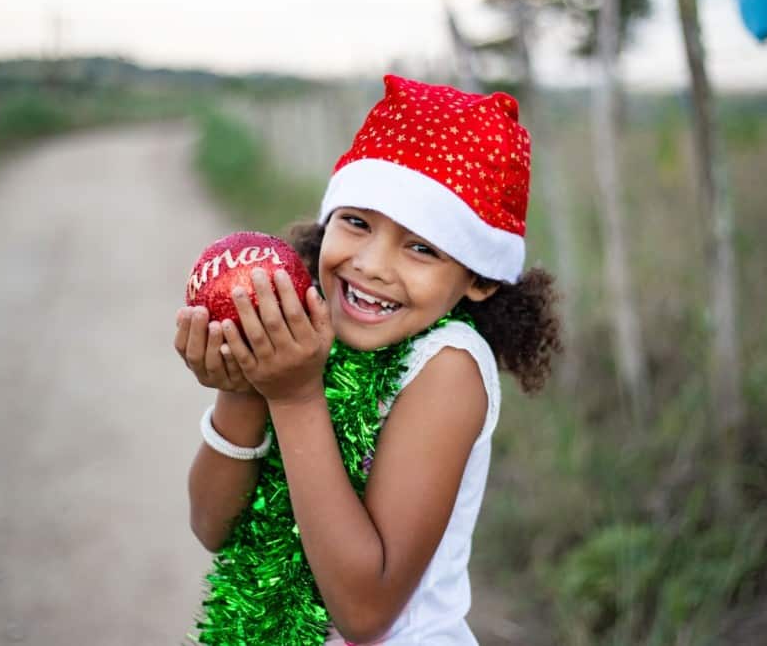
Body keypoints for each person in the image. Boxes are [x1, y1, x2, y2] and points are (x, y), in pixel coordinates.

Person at [174, 74, 561, 645]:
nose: (373, 264)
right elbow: (211, 526)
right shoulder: (308, 333)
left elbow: (365, 612)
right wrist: (242, 386)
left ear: (478, 278)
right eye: (357, 222)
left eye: (422, 247)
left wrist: (292, 395)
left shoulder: (447, 365)